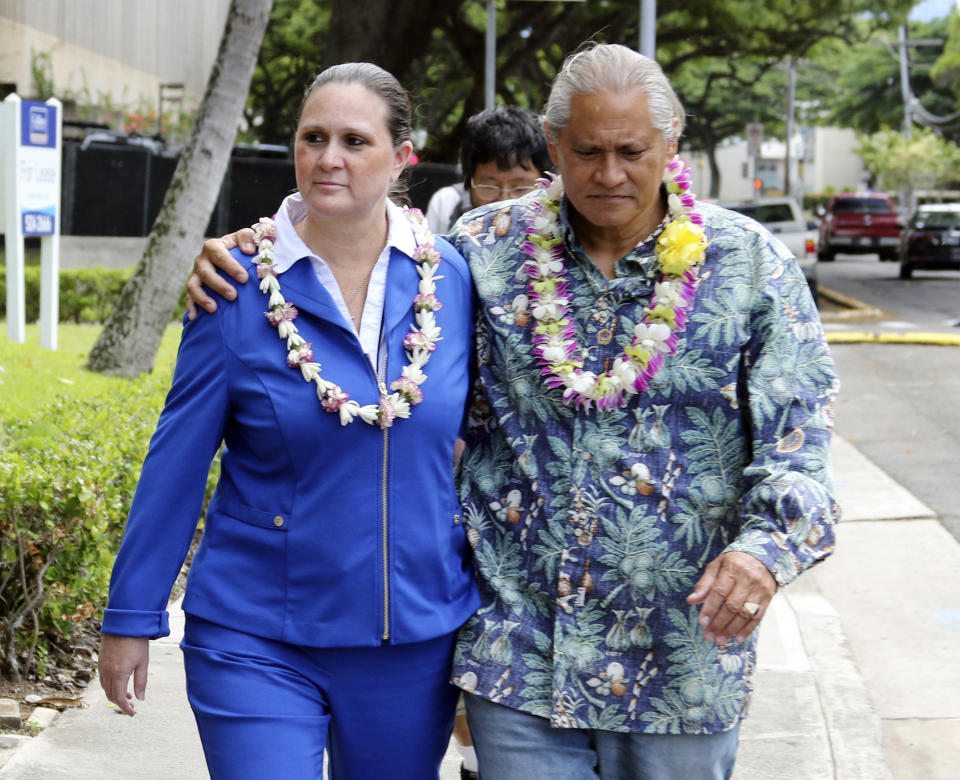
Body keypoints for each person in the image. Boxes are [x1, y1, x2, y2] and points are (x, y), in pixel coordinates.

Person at [187, 43, 839, 780]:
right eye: (587, 151)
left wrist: (763, 552)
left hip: (679, 663)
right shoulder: (481, 252)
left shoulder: (751, 265)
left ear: (673, 140)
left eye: (632, 151)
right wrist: (251, 255)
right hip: (520, 655)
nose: (610, 173)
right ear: (553, 146)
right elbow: (360, 276)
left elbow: (801, 442)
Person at [98, 62, 479, 780]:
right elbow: (177, 462)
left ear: (403, 158)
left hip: (412, 637)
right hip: (255, 631)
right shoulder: (236, 285)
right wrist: (131, 617)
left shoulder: (453, 279)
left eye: (354, 141)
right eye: (313, 137)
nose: (328, 158)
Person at [425, 105, 552, 234]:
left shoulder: (559, 219)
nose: (504, 202)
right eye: (490, 187)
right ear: (469, 183)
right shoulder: (447, 204)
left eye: (520, 188)